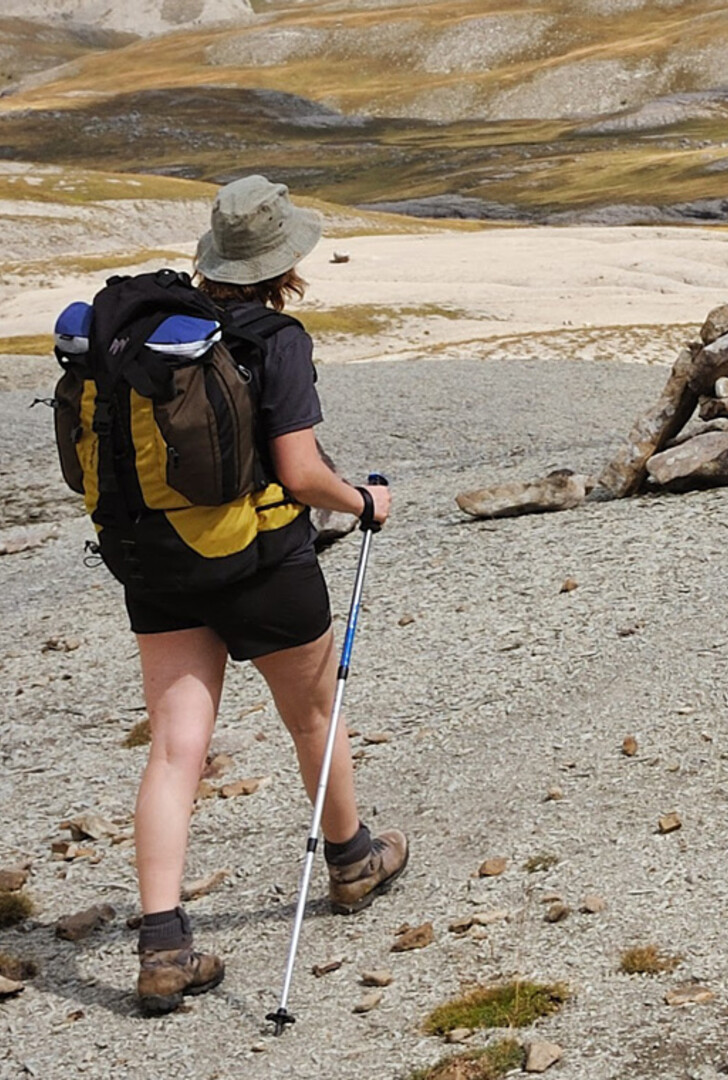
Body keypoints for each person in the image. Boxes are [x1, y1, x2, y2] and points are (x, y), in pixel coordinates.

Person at [128, 176, 408, 1015]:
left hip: (158, 562)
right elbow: (298, 472)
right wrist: (362, 500)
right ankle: (353, 861)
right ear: (283, 262)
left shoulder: (154, 331)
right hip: (259, 563)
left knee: (177, 748)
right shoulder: (274, 337)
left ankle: (163, 945)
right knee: (314, 714)